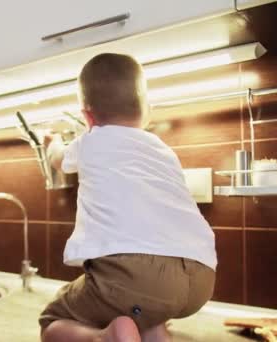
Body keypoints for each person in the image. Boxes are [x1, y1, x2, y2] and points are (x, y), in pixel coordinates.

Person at [39, 53, 217, 342]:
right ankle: (154, 333)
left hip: (132, 276)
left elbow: (58, 159)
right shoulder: (163, 151)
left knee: (53, 320)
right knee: (144, 311)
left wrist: (53, 143)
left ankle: (105, 338)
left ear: (87, 117)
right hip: (200, 278)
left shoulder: (90, 141)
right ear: (147, 112)